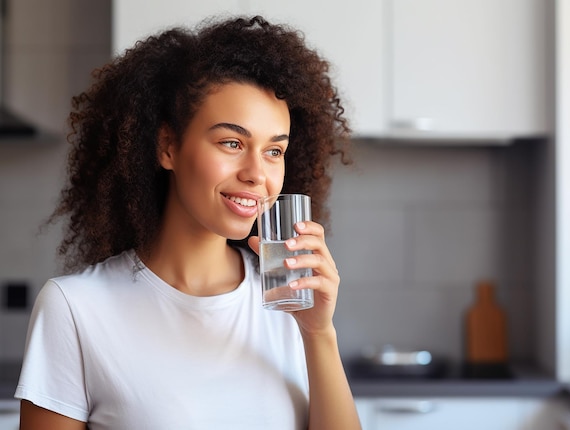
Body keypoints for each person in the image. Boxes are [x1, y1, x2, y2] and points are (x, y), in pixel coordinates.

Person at [15, 15, 360, 430]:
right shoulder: (76, 308)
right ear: (168, 147)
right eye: (232, 143)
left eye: (274, 151)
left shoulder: (291, 305)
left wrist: (319, 333)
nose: (257, 174)